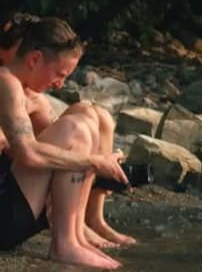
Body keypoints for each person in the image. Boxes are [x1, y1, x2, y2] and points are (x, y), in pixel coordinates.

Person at [0, 17, 128, 269]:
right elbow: (28, 153)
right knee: (74, 128)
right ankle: (64, 243)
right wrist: (94, 161)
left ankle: (77, 233)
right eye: (60, 74)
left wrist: (98, 158)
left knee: (85, 117)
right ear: (35, 59)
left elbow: (60, 150)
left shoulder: (24, 91)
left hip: (11, 212)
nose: (60, 84)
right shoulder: (5, 82)